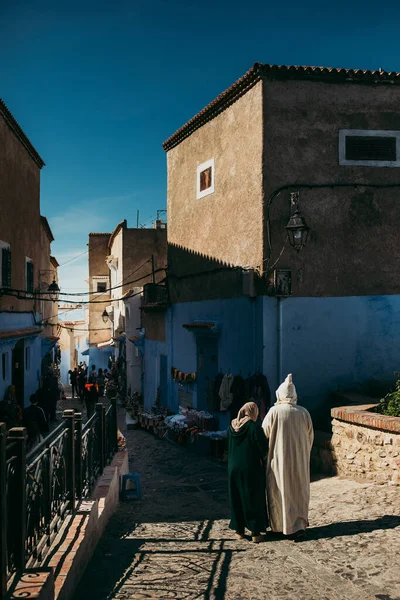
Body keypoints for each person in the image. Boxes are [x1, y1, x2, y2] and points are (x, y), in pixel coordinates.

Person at [262, 374, 314, 541]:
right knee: (298, 492)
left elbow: (264, 433)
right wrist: (303, 453)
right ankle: (298, 527)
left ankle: (279, 527)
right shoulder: (303, 413)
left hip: (278, 460)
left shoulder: (274, 412)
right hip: (299, 461)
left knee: (279, 491)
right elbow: (310, 437)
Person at [228, 401, 268, 543]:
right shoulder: (253, 426)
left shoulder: (232, 426)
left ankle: (239, 530)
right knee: (252, 498)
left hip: (233, 468)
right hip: (250, 468)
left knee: (237, 497)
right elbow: (263, 446)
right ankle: (255, 532)